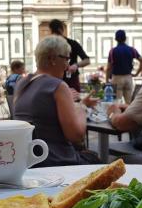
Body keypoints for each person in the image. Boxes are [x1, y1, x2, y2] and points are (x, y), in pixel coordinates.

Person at [14, 35, 100, 166]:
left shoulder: (22, 83)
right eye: (66, 59)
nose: (67, 66)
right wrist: (82, 108)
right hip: (57, 162)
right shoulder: (58, 86)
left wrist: (80, 103)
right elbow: (76, 136)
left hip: (28, 161)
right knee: (97, 160)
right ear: (52, 59)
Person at [48, 19, 90, 93]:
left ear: (60, 30)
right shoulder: (49, 45)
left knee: (74, 97)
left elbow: (87, 60)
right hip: (55, 79)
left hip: (71, 79)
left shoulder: (72, 43)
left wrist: (76, 65)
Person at [106, 29, 142, 104]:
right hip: (128, 77)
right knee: (129, 103)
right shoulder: (132, 50)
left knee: (116, 103)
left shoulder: (112, 51)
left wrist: (106, 80)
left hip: (116, 78)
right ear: (125, 38)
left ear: (115, 39)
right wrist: (137, 73)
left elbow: (109, 68)